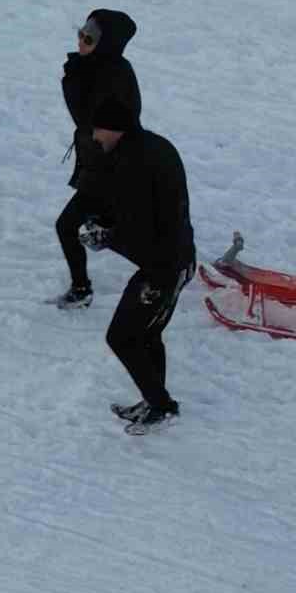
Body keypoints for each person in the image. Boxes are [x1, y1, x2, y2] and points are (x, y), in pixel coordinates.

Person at [76, 98, 195, 435]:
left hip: (165, 267)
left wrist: (106, 238)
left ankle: (161, 406)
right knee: (147, 332)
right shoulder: (152, 147)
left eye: (97, 129)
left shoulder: (134, 163)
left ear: (113, 129)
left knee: (122, 337)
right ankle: (155, 400)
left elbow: (141, 225)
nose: (95, 136)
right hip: (173, 259)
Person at [53, 9, 142, 309]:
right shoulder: (98, 68)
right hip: (100, 165)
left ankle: (82, 290)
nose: (81, 40)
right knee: (108, 224)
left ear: (105, 44)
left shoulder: (112, 77)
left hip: (113, 171)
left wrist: (73, 81)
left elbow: (87, 120)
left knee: (67, 226)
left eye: (88, 38)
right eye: (81, 33)